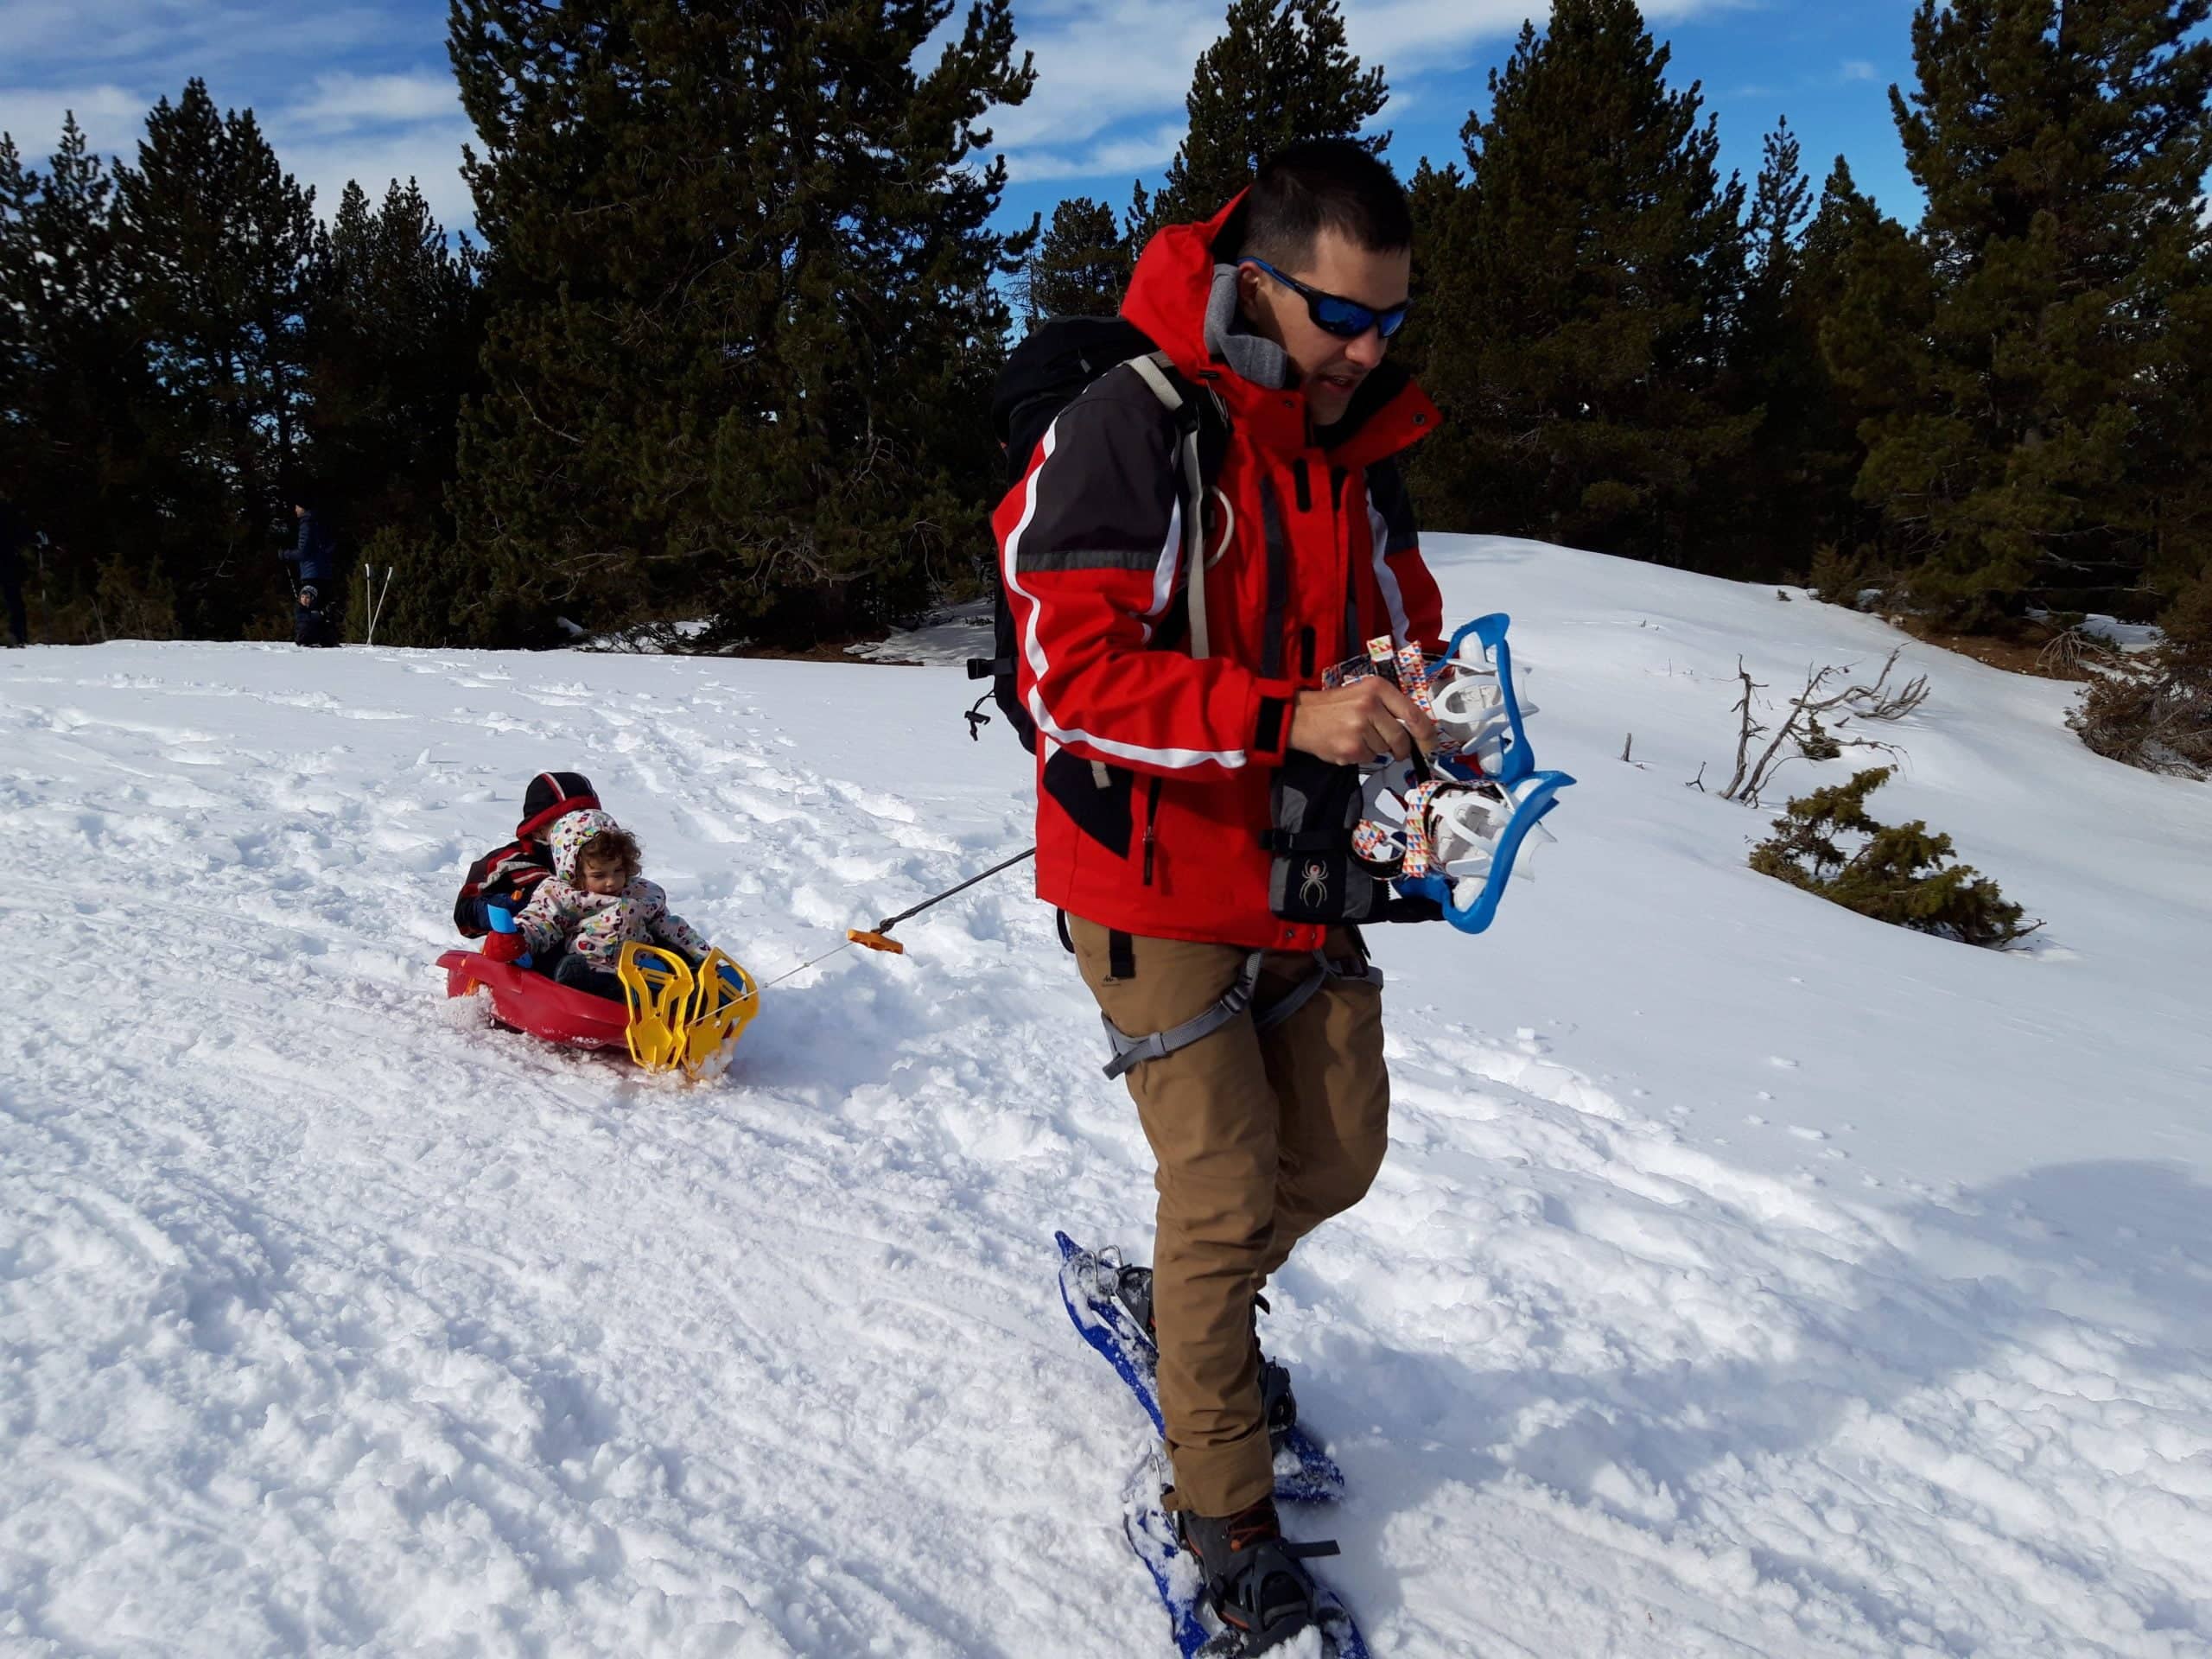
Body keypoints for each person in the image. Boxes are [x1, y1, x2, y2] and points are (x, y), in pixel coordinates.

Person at [994, 139, 1444, 1649]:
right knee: (1227, 1186)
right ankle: (1220, 1507)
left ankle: (1189, 1309)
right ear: (1259, 285)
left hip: (1302, 865)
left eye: (1391, 322)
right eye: (1342, 318)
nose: (1368, 352)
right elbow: (1072, 673)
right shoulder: (1131, 427)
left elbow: (1399, 629)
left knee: (1341, 1148)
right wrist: (1281, 716)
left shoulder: (1356, 450)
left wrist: (1425, 722)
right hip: (1147, 872)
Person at [480, 807, 712, 1001]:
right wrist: (518, 939)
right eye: (599, 876)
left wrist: (705, 957)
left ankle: (696, 994)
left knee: (669, 964)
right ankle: (597, 991)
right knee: (570, 969)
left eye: (618, 870)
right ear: (575, 872)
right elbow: (541, 919)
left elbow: (673, 928)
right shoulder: (564, 895)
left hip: (641, 972)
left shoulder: (641, 893)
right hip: (590, 970)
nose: (612, 882)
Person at [452, 771, 606, 963]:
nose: (582, 830)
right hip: (534, 948)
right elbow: (465, 912)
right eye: (569, 824)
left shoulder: (606, 860)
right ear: (540, 828)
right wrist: (503, 909)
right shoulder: (512, 862)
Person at [278, 495, 340, 647]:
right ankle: (328, 637)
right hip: (325, 573)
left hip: (311, 573)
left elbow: (303, 552)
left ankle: (305, 636)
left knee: (305, 605)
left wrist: (285, 554)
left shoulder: (307, 523)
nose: (295, 509)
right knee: (323, 607)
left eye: (297, 506)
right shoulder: (322, 522)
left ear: (303, 508)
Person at [0, 496, 29, 647]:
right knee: (13, 598)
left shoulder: (9, 510)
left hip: (8, 559)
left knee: (13, 598)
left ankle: (17, 634)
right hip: (8, 559)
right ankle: (18, 634)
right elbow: (22, 532)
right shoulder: (9, 509)